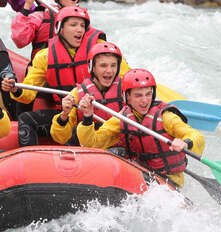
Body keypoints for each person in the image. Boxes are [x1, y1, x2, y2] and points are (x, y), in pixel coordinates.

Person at [1, 6, 130, 147]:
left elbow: (126, 81)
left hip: (103, 112)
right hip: (67, 111)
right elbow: (28, 93)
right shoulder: (46, 56)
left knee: (79, 132)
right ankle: (30, 160)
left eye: (82, 26)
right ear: (59, 28)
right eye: (73, 25)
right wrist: (15, 90)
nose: (79, 29)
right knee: (26, 119)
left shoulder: (101, 51)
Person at [76, 68, 205, 188]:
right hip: (137, 174)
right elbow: (92, 144)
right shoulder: (122, 118)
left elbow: (196, 136)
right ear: (128, 97)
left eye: (148, 94)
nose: (145, 100)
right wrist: (87, 117)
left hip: (167, 181)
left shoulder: (166, 117)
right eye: (138, 95)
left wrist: (185, 142)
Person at [50, 42, 126, 146]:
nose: (109, 71)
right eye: (103, 65)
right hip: (89, 149)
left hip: (118, 150)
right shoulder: (77, 94)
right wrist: (64, 115)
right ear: (92, 67)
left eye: (113, 65)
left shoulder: (127, 91)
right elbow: (60, 138)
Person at [11, 0, 83, 60]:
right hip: (44, 69)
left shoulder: (82, 18)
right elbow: (20, 40)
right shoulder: (41, 15)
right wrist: (27, 6)